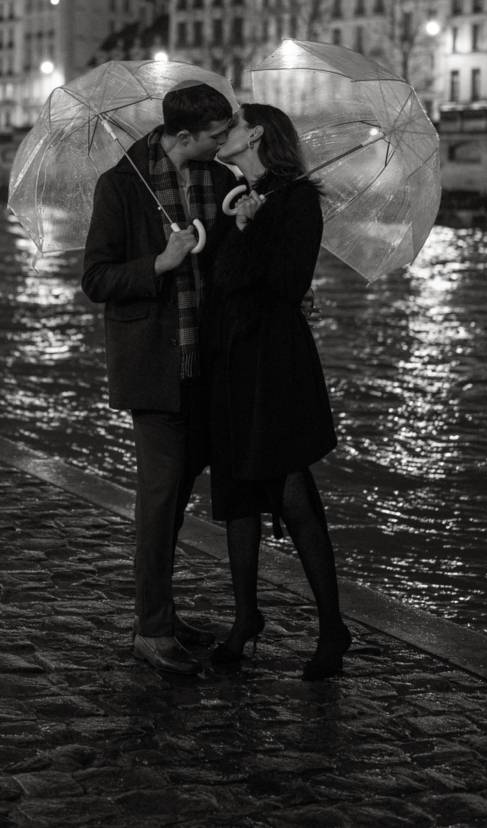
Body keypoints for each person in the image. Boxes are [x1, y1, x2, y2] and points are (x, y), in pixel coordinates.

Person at [82, 81, 236, 675]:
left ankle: (164, 614)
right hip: (154, 368)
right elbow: (96, 278)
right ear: (182, 136)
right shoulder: (120, 186)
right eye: (216, 134)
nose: (223, 141)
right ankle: (150, 629)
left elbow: (226, 269)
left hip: (210, 366)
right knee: (158, 500)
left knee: (174, 505)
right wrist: (159, 264)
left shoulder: (220, 183)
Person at [205, 102, 352, 680]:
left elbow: (289, 284)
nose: (225, 131)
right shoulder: (238, 195)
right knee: (238, 491)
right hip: (234, 360)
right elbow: (221, 279)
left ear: (257, 133)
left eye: (234, 124)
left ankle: (332, 626)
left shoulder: (297, 200)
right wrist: (238, 224)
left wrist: (252, 229)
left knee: (292, 493)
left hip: (277, 363)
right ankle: (245, 618)